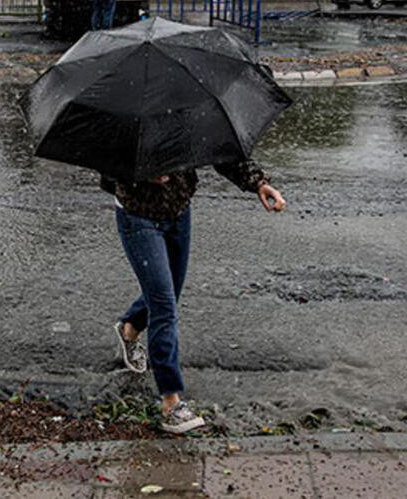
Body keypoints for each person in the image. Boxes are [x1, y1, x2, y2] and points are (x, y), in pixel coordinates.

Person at [103, 161, 286, 434]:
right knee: (164, 307)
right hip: (137, 215)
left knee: (168, 294)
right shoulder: (122, 120)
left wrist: (258, 183)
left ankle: (130, 327)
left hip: (178, 212)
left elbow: (218, 147)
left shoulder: (184, 117)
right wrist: (140, 172)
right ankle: (170, 403)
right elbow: (105, 164)